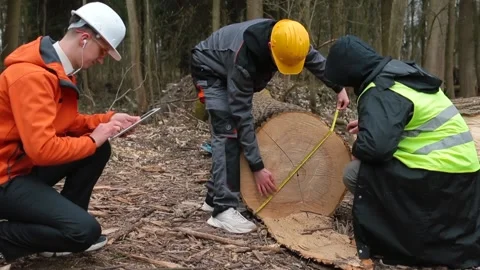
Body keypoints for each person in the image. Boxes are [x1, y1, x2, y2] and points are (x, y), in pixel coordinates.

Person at [0, 2, 140, 263]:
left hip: (20, 168)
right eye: (102, 51)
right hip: (5, 178)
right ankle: (14, 237)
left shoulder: (56, 70)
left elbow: (64, 122)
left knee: (97, 150)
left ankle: (55, 232)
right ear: (85, 39)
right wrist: (93, 138)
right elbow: (42, 149)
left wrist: (107, 121)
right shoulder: (32, 76)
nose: (101, 59)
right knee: (84, 231)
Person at [325, 35, 480, 268]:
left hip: (441, 179)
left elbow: (375, 149)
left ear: (349, 73)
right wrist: (373, 123)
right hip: (462, 175)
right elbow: (407, 119)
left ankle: (396, 236)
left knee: (354, 173)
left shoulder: (379, 89)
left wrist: (361, 144)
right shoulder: (397, 74)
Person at [190, 18, 349, 234]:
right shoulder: (243, 61)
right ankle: (222, 210)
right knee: (228, 132)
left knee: (231, 132)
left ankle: (213, 196)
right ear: (270, 47)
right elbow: (242, 116)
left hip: (228, 64)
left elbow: (314, 59)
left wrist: (338, 87)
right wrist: (257, 167)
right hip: (209, 70)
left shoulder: (291, 38)